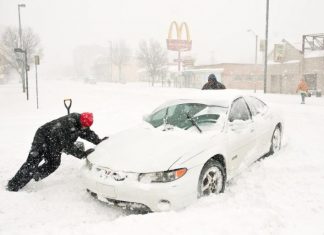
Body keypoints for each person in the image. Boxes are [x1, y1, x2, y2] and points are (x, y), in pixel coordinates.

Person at [7, 112, 108, 192]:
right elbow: (66, 145)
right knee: (33, 161)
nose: (84, 128)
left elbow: (87, 133)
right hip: (43, 136)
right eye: (84, 126)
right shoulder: (68, 124)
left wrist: (98, 141)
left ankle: (36, 175)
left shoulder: (81, 124)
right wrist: (81, 154)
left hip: (54, 141)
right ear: (81, 121)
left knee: (53, 163)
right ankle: (13, 185)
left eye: (86, 127)